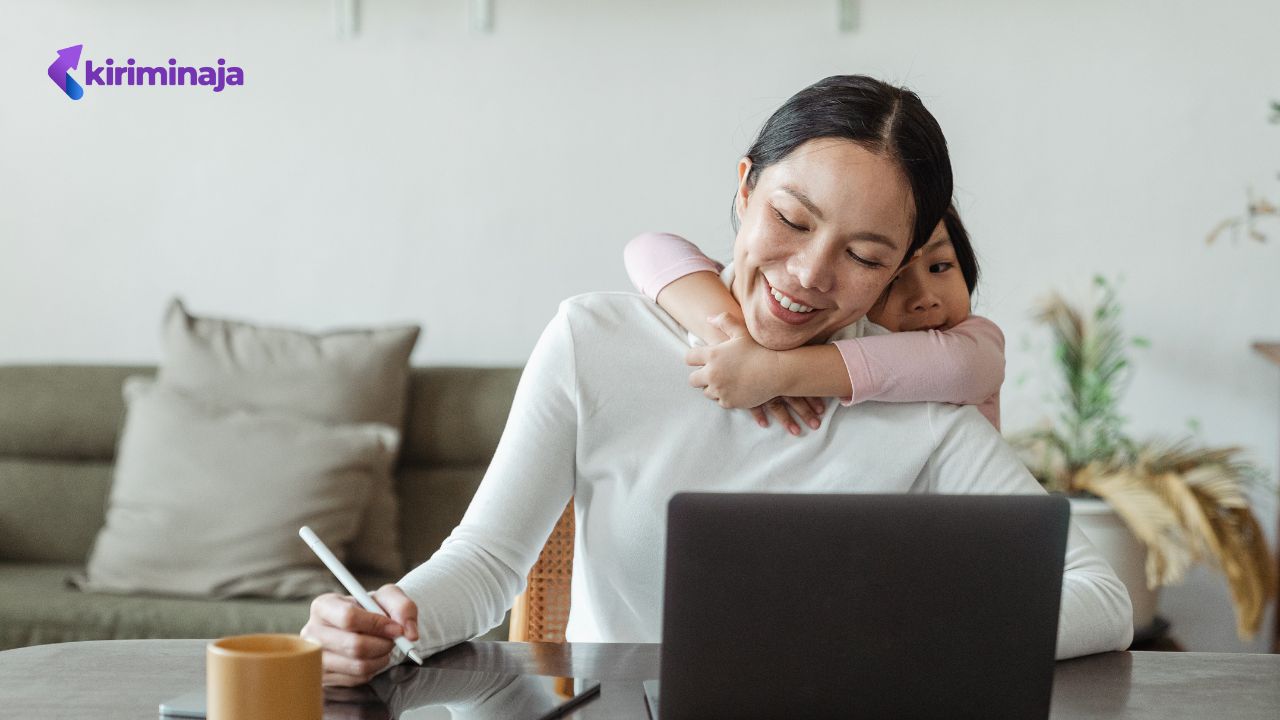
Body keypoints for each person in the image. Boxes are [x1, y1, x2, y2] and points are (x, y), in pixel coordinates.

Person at [301, 75, 1133, 687]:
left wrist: (910, 632)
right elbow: (485, 565)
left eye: (865, 256)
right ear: (743, 190)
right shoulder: (596, 341)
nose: (808, 275)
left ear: (900, 269)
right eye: (792, 220)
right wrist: (382, 618)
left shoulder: (918, 403)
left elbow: (1101, 597)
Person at [621, 202, 1005, 432]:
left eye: (941, 267)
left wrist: (773, 371)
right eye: (893, 280)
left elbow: (959, 368)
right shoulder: (833, 330)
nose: (924, 298)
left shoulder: (975, 342)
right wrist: (733, 339)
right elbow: (649, 248)